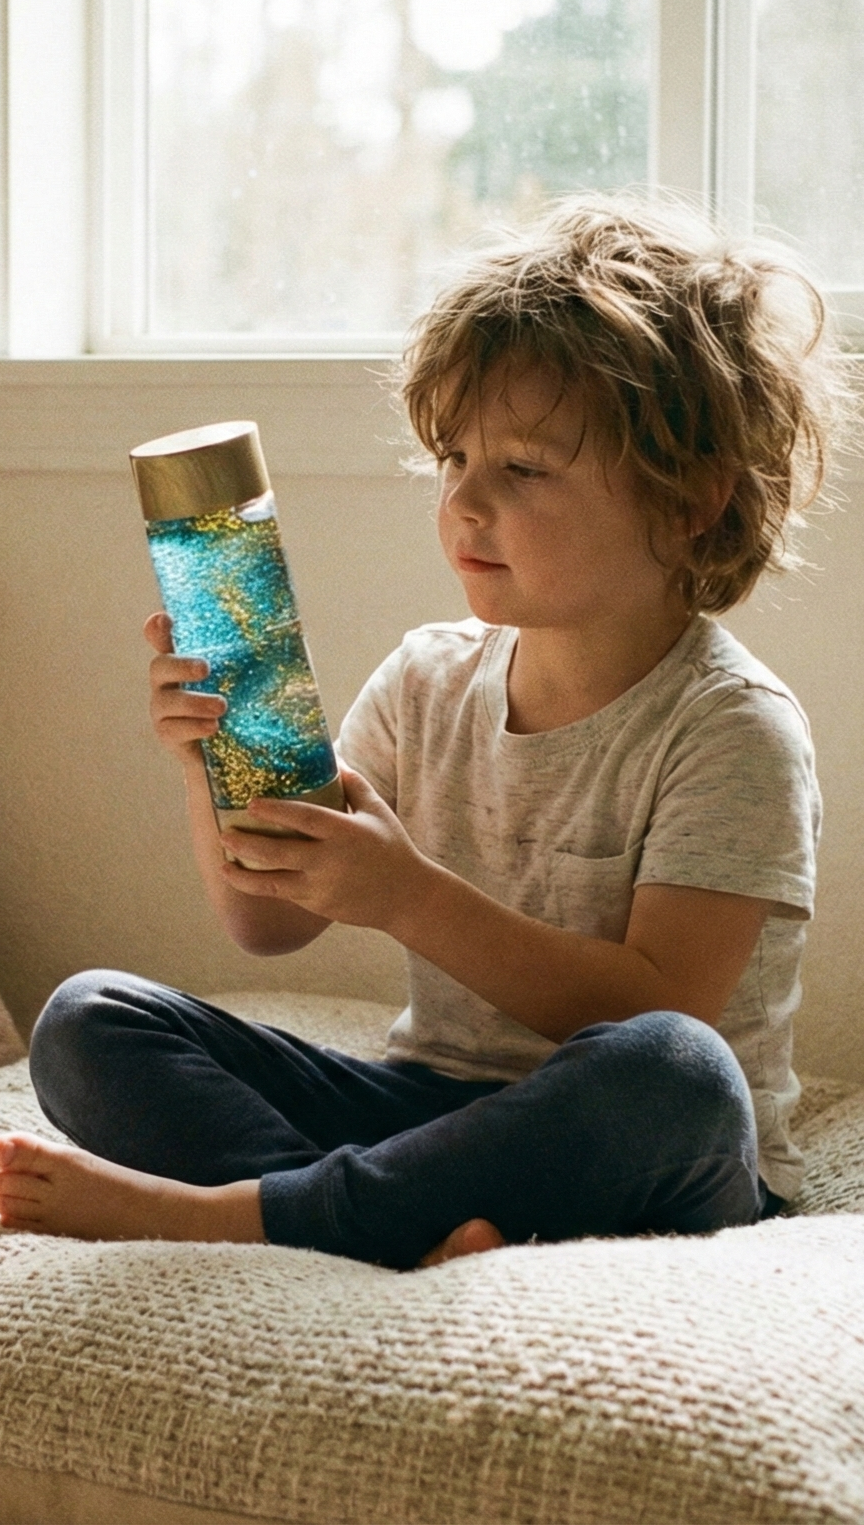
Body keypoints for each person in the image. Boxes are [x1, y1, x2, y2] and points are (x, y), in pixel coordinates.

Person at [0, 195, 849, 1268]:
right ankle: (393, 1221)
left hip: (632, 1149)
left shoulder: (732, 729)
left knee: (674, 1068)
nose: (463, 504)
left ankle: (253, 1218)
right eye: (453, 459)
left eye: (523, 469)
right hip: (430, 1116)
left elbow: (660, 1003)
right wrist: (204, 768)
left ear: (689, 502)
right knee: (89, 1021)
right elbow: (267, 927)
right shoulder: (428, 676)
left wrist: (406, 895)